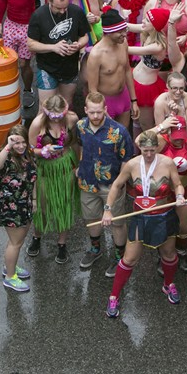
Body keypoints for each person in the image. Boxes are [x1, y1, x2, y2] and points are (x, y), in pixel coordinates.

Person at [102, 130, 186, 317]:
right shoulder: (132, 164)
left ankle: (168, 284)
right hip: (140, 216)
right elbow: (116, 185)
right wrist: (108, 209)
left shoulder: (167, 163)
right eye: (145, 150)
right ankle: (114, 296)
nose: (148, 154)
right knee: (129, 259)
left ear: (157, 147)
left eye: (152, 150)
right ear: (139, 147)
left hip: (164, 215)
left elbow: (177, 184)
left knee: (169, 254)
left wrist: (180, 195)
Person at [74, 92, 134, 276]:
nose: (95, 116)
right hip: (87, 182)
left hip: (111, 184)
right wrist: (79, 166)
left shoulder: (119, 131)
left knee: (117, 222)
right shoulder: (80, 126)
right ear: (85, 110)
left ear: (105, 109)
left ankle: (119, 257)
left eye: (99, 112)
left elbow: (126, 159)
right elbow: (79, 145)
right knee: (91, 218)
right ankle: (95, 249)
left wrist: (120, 183)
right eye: (92, 112)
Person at [26, 95, 80, 263]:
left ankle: (62, 244)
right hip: (45, 170)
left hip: (65, 167)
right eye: (52, 116)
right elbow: (29, 150)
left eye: (59, 115)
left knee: (64, 206)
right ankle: (37, 236)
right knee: (42, 207)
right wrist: (43, 151)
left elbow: (76, 143)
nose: (56, 119)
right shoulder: (37, 124)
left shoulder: (72, 119)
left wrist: (78, 165)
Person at [0, 125, 38, 292]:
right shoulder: (4, 156)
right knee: (15, 243)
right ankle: (10, 277)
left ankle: (10, 266)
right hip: (10, 206)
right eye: (16, 142)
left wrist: (34, 200)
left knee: (17, 241)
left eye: (23, 142)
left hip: (25, 203)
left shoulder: (28, 155)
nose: (20, 146)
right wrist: (8, 146)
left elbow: (33, 178)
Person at [27, 0, 91, 104]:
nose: (62, 12)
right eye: (58, 8)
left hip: (70, 67)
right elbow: (31, 45)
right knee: (46, 106)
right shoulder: (39, 15)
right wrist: (53, 47)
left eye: (65, 8)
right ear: (50, 1)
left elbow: (85, 36)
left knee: (66, 104)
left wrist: (78, 45)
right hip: (47, 68)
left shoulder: (76, 12)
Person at [157, 115, 187, 272]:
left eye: (181, 136)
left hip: (186, 191)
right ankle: (163, 255)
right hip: (162, 194)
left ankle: (181, 252)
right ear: (168, 131)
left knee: (184, 226)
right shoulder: (159, 142)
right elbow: (140, 141)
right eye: (175, 137)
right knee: (162, 227)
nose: (179, 140)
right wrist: (159, 127)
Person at [0, 0, 42, 99]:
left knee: (24, 63)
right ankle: (9, 92)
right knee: (9, 61)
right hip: (10, 24)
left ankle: (27, 90)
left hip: (28, 26)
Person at [129, 7, 183, 132]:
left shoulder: (158, 46)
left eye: (147, 20)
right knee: (135, 120)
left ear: (154, 26)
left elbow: (130, 50)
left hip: (145, 89)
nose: (143, 21)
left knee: (146, 124)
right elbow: (128, 26)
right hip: (135, 80)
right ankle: (136, 144)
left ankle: (149, 142)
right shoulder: (147, 30)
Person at [86, 10, 139, 127]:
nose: (124, 35)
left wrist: (133, 100)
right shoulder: (96, 55)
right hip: (106, 102)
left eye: (124, 30)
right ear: (108, 33)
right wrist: (101, 111)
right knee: (108, 137)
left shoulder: (123, 43)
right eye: (120, 32)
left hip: (123, 98)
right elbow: (92, 89)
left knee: (123, 134)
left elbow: (127, 71)